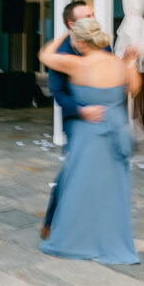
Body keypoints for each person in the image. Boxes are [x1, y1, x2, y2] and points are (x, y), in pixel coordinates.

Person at [38, 18, 141, 265]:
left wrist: (66, 33)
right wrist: (130, 63)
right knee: (112, 190)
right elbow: (135, 89)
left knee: (80, 186)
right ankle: (109, 239)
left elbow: (45, 55)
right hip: (116, 130)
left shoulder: (77, 64)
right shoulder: (118, 63)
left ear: (81, 42)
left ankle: (77, 240)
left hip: (89, 131)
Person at [41, 0, 110, 239]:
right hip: (77, 120)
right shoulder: (61, 53)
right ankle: (51, 222)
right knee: (73, 171)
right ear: (72, 24)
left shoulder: (103, 44)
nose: (93, 17)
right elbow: (58, 93)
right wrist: (83, 111)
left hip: (105, 117)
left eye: (93, 13)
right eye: (87, 16)